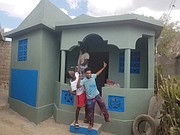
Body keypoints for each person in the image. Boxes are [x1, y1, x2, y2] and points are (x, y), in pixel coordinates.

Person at [77, 62, 110, 131]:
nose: (89, 74)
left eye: (90, 73)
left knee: (103, 105)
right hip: (90, 99)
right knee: (90, 112)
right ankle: (91, 124)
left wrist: (104, 67)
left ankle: (106, 118)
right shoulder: (84, 80)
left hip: (97, 95)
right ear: (85, 74)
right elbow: (78, 86)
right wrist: (79, 79)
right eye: (88, 73)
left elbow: (98, 73)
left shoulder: (93, 76)